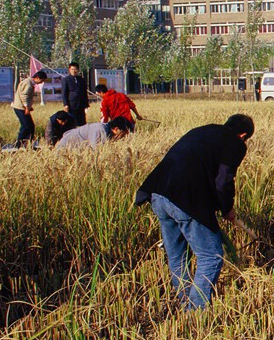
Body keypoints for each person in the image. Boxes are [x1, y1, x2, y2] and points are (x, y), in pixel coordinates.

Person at [135, 114, 254, 310]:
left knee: (177, 256)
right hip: (186, 199)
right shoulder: (235, 143)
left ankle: (184, 302)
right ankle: (195, 312)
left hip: (158, 194)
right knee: (212, 256)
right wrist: (227, 208)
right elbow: (223, 180)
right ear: (242, 135)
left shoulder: (201, 131)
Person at [11, 70, 47, 147]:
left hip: (23, 107)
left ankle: (29, 142)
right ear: (37, 78)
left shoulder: (29, 83)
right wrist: (27, 107)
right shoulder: (28, 83)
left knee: (30, 126)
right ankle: (18, 144)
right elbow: (24, 96)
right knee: (25, 125)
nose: (41, 82)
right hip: (20, 108)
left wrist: (29, 107)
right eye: (42, 80)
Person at [57, 117, 133, 150]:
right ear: (116, 129)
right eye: (123, 135)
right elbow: (96, 152)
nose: (123, 138)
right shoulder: (100, 130)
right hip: (65, 150)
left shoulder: (106, 130)